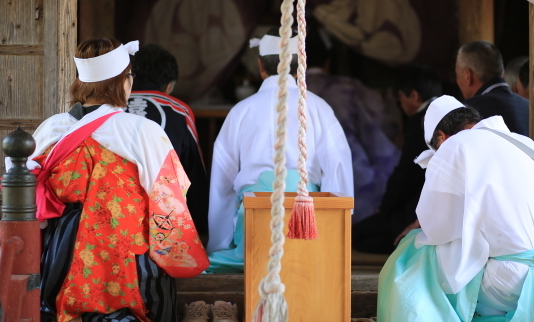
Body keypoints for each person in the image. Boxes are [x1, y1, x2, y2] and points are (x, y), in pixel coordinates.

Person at [28, 38, 208, 322]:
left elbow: (28, 191)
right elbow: (168, 195)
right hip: (126, 243)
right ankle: (118, 321)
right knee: (151, 237)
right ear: (123, 83)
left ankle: (66, 310)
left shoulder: (52, 129)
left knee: (63, 246)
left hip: (63, 247)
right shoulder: (142, 130)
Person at [362, 96, 534, 322]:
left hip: (514, 284)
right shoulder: (523, 142)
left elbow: (437, 227)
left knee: (416, 251)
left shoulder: (455, 146)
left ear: (441, 138)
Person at [207, 28, 353, 273]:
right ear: (300, 66)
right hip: (308, 219)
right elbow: (338, 171)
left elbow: (222, 184)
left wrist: (221, 243)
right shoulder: (320, 108)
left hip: (253, 224)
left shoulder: (241, 111)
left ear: (260, 66)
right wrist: (336, 234)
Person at [305, 26, 399, 222]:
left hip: (294, 171)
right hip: (347, 165)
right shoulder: (346, 87)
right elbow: (378, 127)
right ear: (328, 62)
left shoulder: (286, 90)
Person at [352, 65, 441, 254]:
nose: (400, 105)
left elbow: (406, 172)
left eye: (401, 98)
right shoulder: (450, 113)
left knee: (357, 236)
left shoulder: (420, 120)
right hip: (438, 205)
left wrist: (385, 208)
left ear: (414, 96)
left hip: (418, 208)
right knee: (368, 239)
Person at [126, 44, 209, 245]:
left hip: (115, 206)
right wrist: (199, 228)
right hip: (164, 218)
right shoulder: (178, 110)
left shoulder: (108, 106)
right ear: (169, 85)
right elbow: (194, 171)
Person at [457, 41, 530, 136]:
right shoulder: (528, 107)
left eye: (457, 74)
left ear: (467, 76)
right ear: (502, 72)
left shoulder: (465, 112)